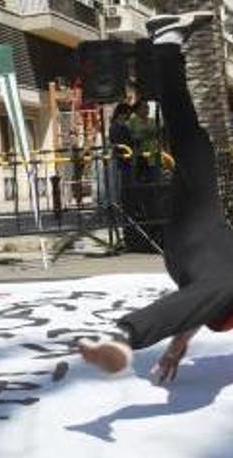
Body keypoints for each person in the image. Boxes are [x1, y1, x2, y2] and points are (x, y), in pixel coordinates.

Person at [80, 11, 233, 383]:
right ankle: (167, 44)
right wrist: (180, 341)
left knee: (225, 281)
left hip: (202, 254)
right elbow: (209, 292)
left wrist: (180, 339)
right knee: (193, 142)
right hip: (200, 239)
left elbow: (214, 290)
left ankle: (123, 336)